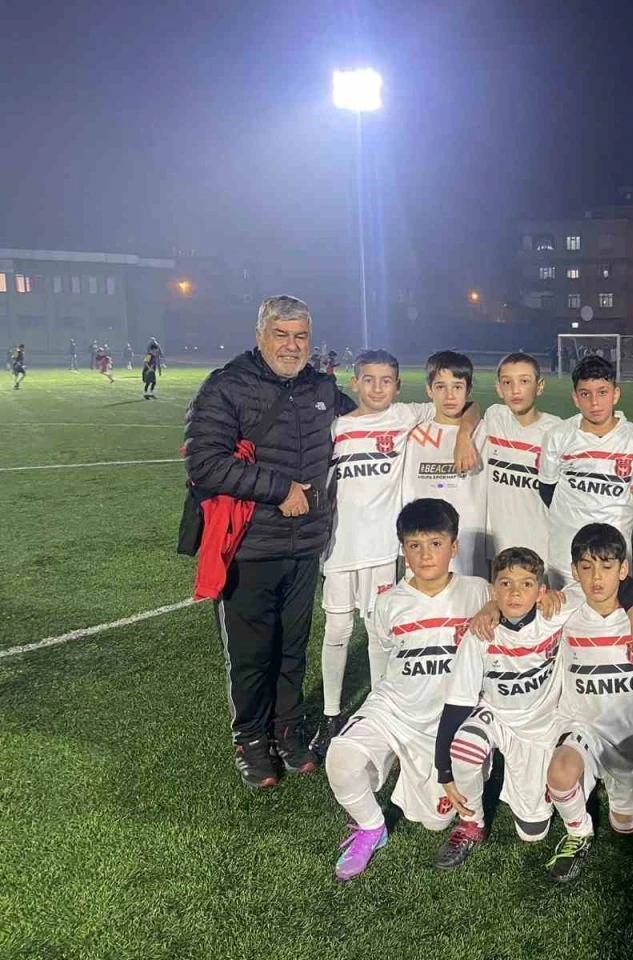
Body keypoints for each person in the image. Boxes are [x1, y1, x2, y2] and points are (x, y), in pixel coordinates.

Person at [183, 295, 356, 788]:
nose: (291, 345)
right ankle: (251, 739)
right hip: (249, 545)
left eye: (300, 336)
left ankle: (285, 728)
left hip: (305, 545)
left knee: (292, 648)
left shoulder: (322, 387)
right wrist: (280, 490)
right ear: (260, 335)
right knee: (251, 653)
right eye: (281, 335)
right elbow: (205, 463)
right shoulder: (226, 386)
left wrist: (462, 417)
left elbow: (371, 418)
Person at [433, 547, 633, 869]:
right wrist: (444, 771)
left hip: (542, 725)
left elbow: (613, 583)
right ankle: (471, 823)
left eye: (526, 584)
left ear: (541, 592)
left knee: (532, 831)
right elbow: (457, 704)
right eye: (505, 584)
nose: (515, 593)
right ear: (494, 590)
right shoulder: (481, 634)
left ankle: (557, 815)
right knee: (464, 748)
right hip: (497, 716)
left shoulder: (555, 613)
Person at [325, 499, 491, 881]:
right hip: (397, 706)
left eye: (436, 543)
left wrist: (494, 608)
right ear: (402, 550)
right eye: (414, 545)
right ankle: (372, 828)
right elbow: (385, 653)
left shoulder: (478, 592)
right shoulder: (388, 603)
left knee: (437, 820)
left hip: (452, 714)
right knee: (341, 760)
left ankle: (463, 807)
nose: (425, 554)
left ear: (454, 546)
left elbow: (515, 606)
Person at [542, 523, 633, 884]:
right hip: (582, 724)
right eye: (586, 568)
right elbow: (512, 602)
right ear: (574, 571)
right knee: (559, 774)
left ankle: (621, 790)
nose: (596, 578)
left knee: (625, 826)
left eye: (606, 567)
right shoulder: (566, 606)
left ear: (623, 570)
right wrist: (490, 608)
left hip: (631, 737)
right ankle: (578, 832)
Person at [314, 349, 433, 757]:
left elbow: (458, 407)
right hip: (339, 548)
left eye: (386, 381)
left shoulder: (404, 416)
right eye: (369, 379)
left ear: (398, 387)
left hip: (382, 550)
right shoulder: (337, 428)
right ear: (355, 383)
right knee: (337, 631)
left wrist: (468, 426)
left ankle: (376, 712)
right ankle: (331, 715)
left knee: (377, 632)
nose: (377, 388)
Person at [537, 356, 633, 586]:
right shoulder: (558, 435)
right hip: (566, 550)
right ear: (575, 398)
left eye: (602, 392)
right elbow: (547, 489)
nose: (594, 402)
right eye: (585, 394)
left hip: (614, 553)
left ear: (615, 394)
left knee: (612, 608)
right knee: (565, 607)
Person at [402, 351, 490, 577]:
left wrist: (464, 433)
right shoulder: (415, 436)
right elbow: (407, 491)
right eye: (440, 387)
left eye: (457, 387)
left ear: (469, 391)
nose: (449, 395)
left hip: (468, 544)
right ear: (429, 390)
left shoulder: (483, 433)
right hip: (423, 545)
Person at [483, 352, 562, 562]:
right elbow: (469, 411)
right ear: (498, 389)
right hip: (496, 544)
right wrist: (464, 433)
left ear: (540, 386)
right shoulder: (494, 417)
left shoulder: (556, 431)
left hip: (539, 543)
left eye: (524, 381)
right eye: (507, 382)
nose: (515, 390)